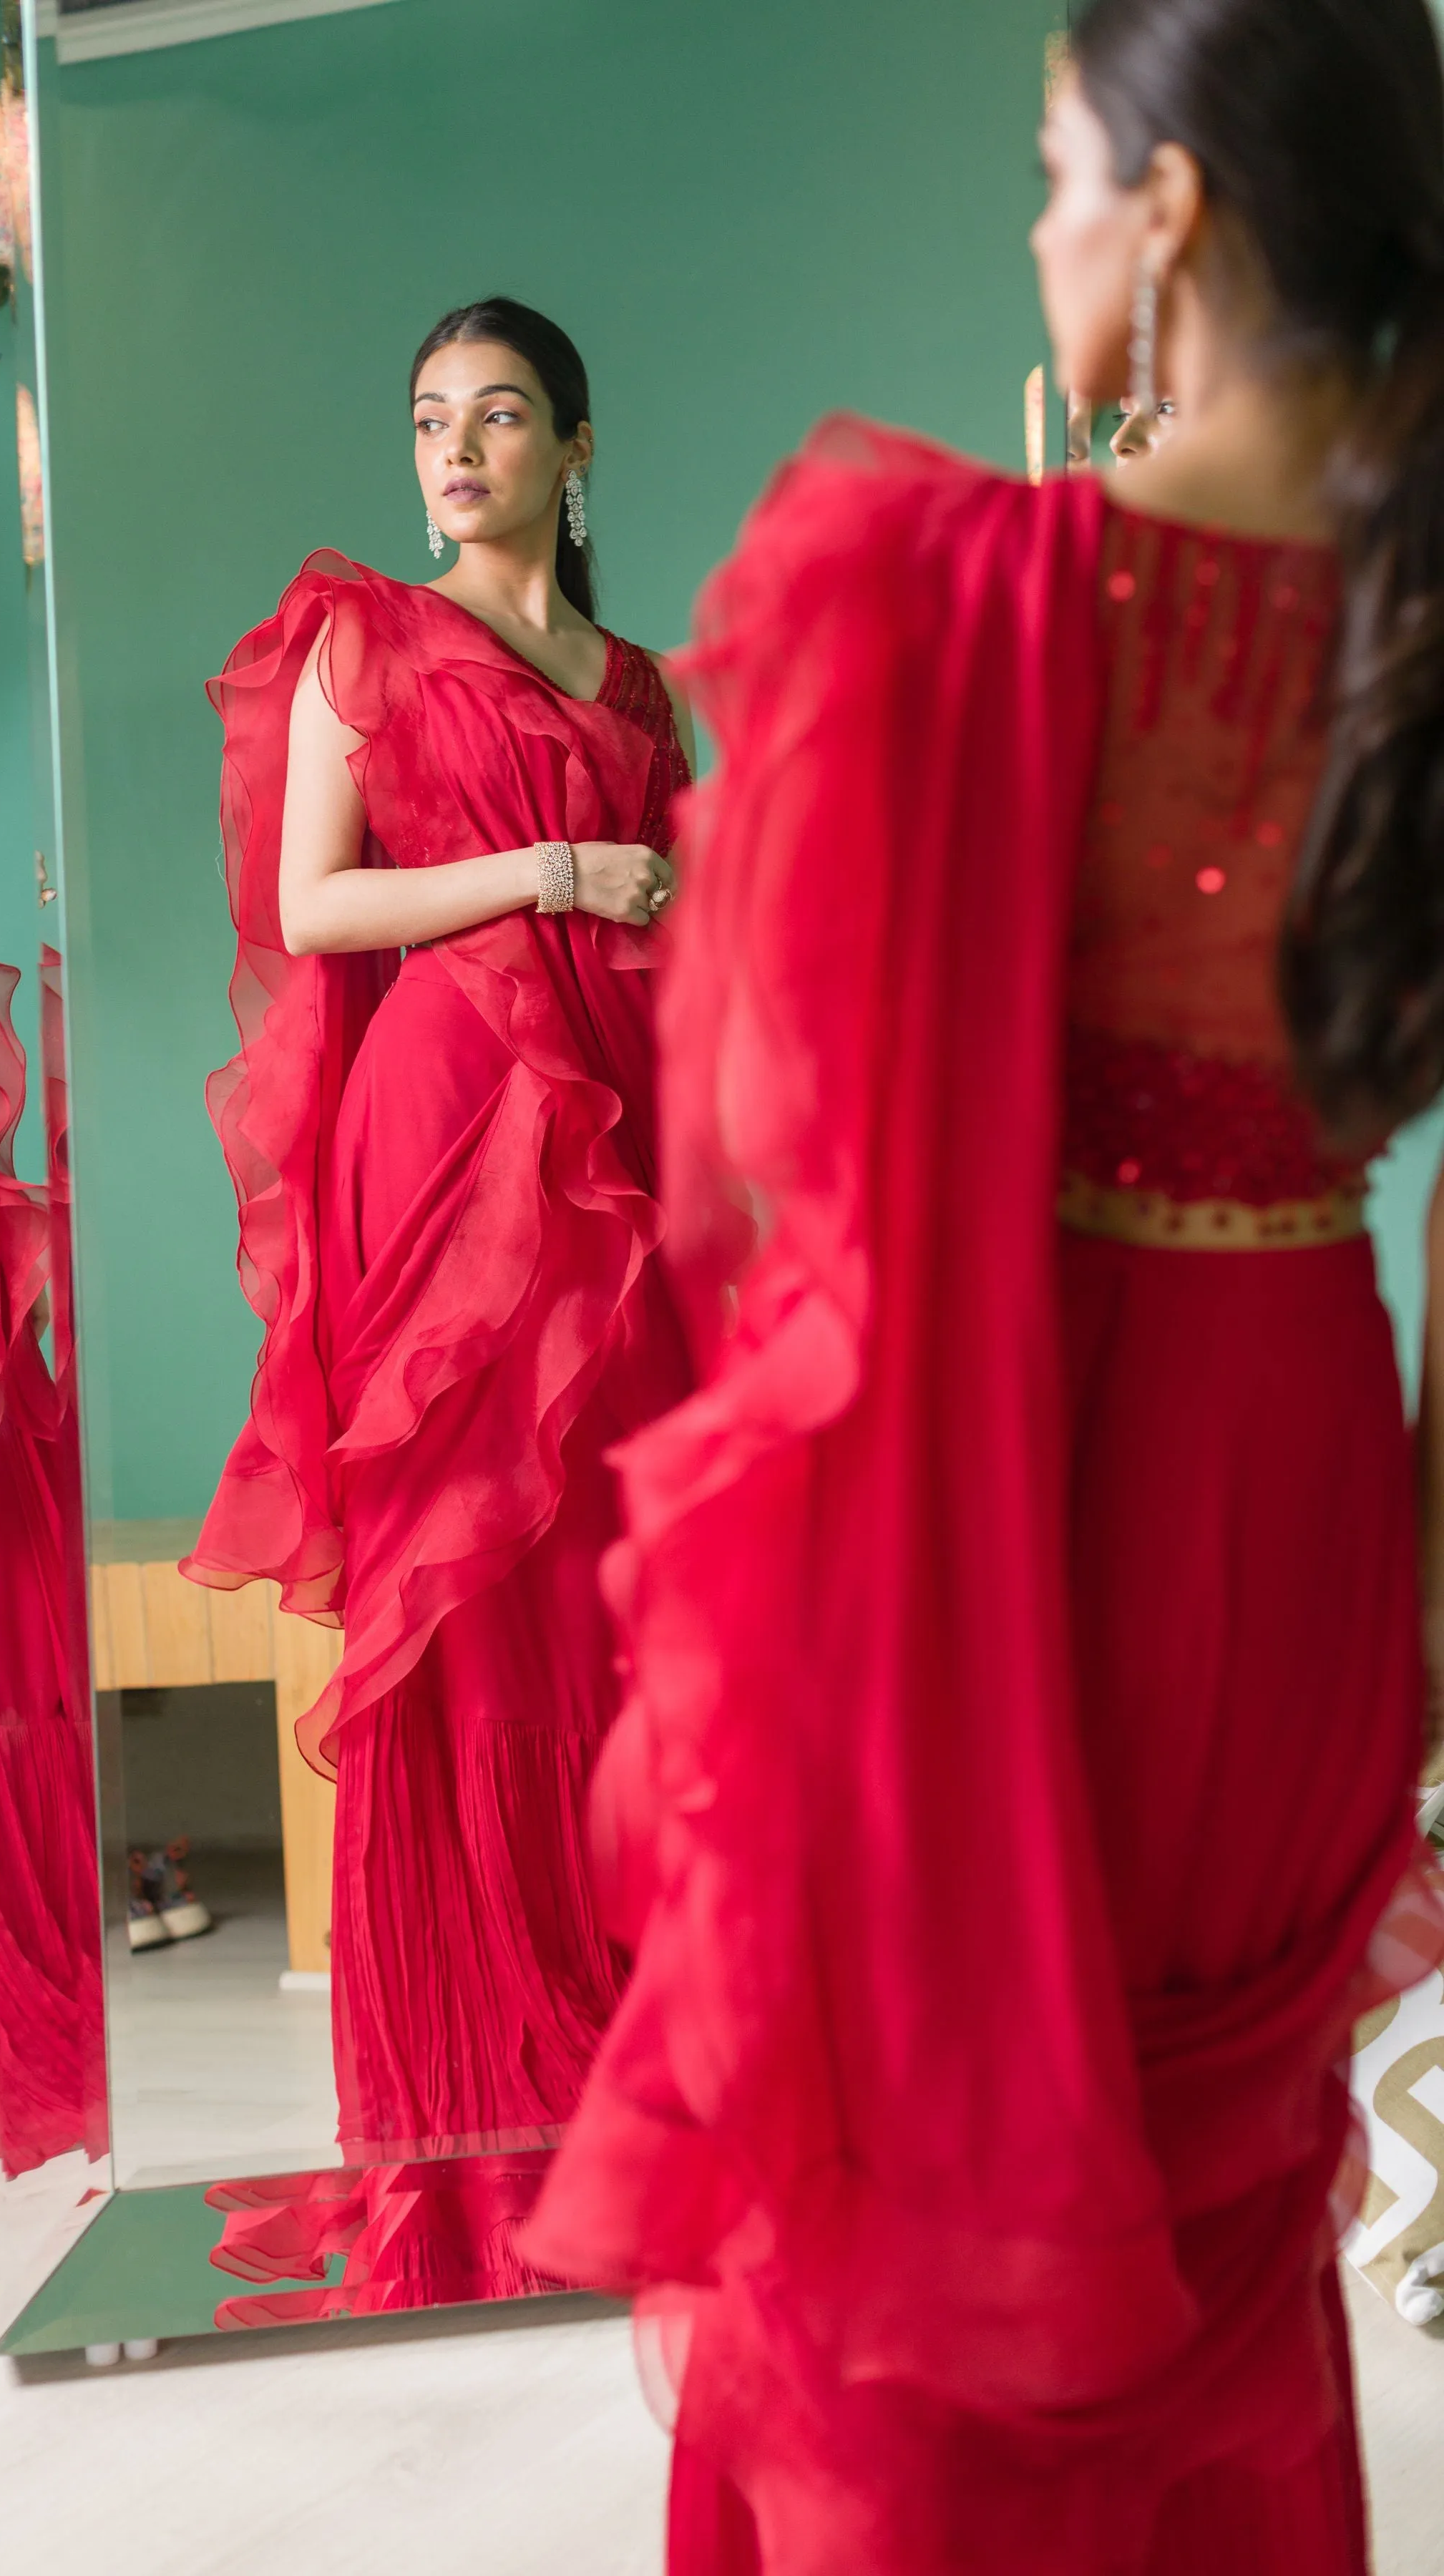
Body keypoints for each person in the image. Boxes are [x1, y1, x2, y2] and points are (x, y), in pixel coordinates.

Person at [522, 3, 1444, 2565]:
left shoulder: (954, 588)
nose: (1040, 226)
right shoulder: (1415, 617)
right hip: (1317, 1484)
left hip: (1028, 1503)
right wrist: (1427, 1591)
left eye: (1054, 166)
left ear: (1172, 209)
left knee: (931, 2226)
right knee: (1218, 2213)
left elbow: (779, 1174)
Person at [182, 297, 693, 2307]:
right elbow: (313, 904)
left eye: (497, 416)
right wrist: (557, 869)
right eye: (428, 421)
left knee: (619, 1579)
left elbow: (688, 912)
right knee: (471, 1594)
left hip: (619, 1140)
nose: (456, 450)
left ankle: (643, 2072)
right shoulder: (366, 637)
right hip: (451, 1131)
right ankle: (483, 2123)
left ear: (577, 447)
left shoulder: (640, 683)